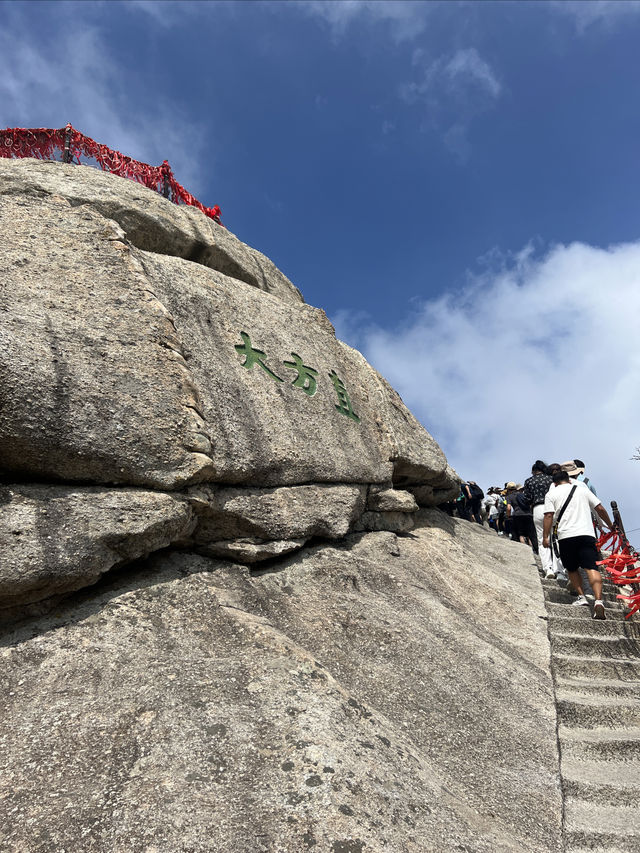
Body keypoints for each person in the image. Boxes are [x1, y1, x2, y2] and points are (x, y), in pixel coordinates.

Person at [542, 469, 615, 619]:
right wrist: (610, 525)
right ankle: (599, 600)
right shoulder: (582, 489)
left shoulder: (551, 494)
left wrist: (545, 537)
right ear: (569, 480)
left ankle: (582, 598)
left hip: (566, 536)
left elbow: (549, 515)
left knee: (572, 569)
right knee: (591, 568)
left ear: (554, 483)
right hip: (587, 534)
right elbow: (599, 508)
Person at [523, 460, 554, 578]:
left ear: (533, 471)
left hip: (538, 508)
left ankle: (548, 569)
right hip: (551, 508)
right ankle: (560, 571)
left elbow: (527, 499)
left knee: (542, 539)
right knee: (554, 539)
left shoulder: (529, 481)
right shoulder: (550, 479)